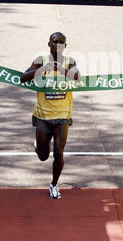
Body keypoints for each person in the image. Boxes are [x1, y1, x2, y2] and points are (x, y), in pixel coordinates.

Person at [20, 32, 81, 199]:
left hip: (62, 115)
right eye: (55, 42)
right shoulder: (40, 60)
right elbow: (22, 78)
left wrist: (60, 69)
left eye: (61, 43)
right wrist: (43, 69)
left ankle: (54, 185)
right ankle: (39, 147)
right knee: (43, 156)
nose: (58, 46)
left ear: (65, 46)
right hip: (43, 115)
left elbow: (77, 77)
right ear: (49, 44)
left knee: (59, 153)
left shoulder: (70, 62)